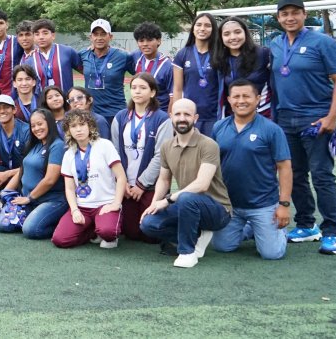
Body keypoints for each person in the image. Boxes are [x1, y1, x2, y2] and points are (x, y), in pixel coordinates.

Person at [267, 0, 336, 255]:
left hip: (315, 119)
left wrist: (332, 117)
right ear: (278, 18)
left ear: (304, 15)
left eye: (295, 13)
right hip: (285, 120)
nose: (290, 18)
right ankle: (306, 225)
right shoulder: (276, 44)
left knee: (322, 176)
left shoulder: (322, 42)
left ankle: (332, 232)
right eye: (284, 14)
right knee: (295, 175)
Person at [140, 98, 233, 268]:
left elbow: (202, 185)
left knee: (187, 198)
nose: (182, 118)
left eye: (187, 114)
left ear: (195, 118)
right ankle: (196, 234)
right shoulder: (167, 146)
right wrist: (154, 204)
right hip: (186, 205)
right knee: (148, 224)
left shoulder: (208, 145)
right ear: (171, 117)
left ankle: (187, 252)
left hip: (217, 210)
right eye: (177, 114)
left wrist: (167, 200)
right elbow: (163, 178)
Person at [211, 79, 292, 260]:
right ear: (229, 100)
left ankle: (277, 232)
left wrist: (284, 205)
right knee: (222, 247)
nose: (241, 101)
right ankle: (251, 229)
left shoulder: (271, 129)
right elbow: (211, 165)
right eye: (236, 97)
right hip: (230, 204)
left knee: (272, 254)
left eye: (246, 96)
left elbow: (284, 167)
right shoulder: (219, 127)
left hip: (263, 205)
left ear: (257, 99)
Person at [52, 109, 127, 249]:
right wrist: (74, 210)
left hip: (105, 204)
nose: (78, 129)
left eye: (82, 124)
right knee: (60, 240)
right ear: (68, 131)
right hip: (83, 207)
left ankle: (102, 228)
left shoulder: (104, 145)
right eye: (73, 126)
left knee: (108, 232)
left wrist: (116, 203)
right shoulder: (69, 154)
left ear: (90, 126)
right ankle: (93, 232)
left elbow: (121, 177)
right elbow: (69, 188)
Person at [110, 73, 173, 242]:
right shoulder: (121, 117)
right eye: (134, 88)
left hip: (149, 186)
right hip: (127, 186)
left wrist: (141, 184)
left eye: (143, 88)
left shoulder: (162, 119)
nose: (137, 92)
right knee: (131, 232)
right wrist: (122, 183)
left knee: (150, 234)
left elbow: (161, 155)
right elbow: (115, 152)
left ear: (152, 93)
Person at [0, 111, 67, 239]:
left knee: (31, 230)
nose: (36, 128)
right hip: (29, 200)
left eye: (40, 124)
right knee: (2, 224)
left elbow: (50, 180)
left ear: (50, 123)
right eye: (33, 125)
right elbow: (22, 170)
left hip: (51, 200)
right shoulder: (34, 144)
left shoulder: (58, 145)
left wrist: (29, 198)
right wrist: (7, 191)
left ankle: (60, 226)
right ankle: (34, 218)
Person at [213, 15, 273, 119]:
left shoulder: (263, 54)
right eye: (227, 34)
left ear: (245, 32)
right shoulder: (220, 60)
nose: (233, 37)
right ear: (221, 38)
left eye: (237, 32)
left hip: (263, 115)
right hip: (235, 118)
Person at [171, 12, 220, 135]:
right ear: (193, 29)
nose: (202, 28)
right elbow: (177, 89)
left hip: (213, 115)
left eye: (207, 25)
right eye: (198, 25)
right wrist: (177, 113)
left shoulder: (219, 54)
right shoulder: (182, 54)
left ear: (213, 29)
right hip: (189, 115)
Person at [78, 19, 132, 122]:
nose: (99, 38)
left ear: (110, 36)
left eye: (103, 34)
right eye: (96, 34)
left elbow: (138, 72)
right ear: (91, 37)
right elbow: (78, 67)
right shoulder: (83, 55)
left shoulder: (123, 56)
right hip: (91, 113)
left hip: (116, 112)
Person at [131, 22, 174, 111]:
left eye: (149, 40)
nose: (145, 44)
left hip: (160, 113)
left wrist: (168, 120)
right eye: (141, 41)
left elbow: (173, 96)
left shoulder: (168, 66)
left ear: (159, 41)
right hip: (139, 112)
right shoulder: (135, 57)